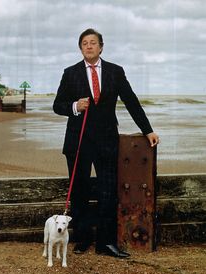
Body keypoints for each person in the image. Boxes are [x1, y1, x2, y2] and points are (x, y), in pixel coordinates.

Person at [53, 28, 159, 258]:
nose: (89, 46)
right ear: (80, 48)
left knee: (108, 192)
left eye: (93, 42)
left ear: (101, 46)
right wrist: (74, 106)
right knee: (79, 191)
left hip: (107, 141)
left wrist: (147, 130)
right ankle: (81, 239)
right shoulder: (70, 73)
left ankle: (106, 243)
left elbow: (131, 101)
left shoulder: (115, 71)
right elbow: (57, 105)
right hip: (78, 142)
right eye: (84, 43)